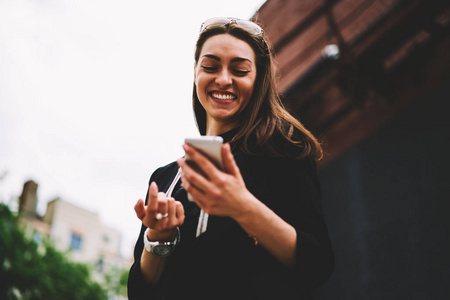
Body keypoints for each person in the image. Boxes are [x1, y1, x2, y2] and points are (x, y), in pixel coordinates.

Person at [128, 17, 334, 300]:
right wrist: (159, 238)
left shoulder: (283, 149)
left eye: (239, 70)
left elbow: (317, 264)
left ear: (258, 79)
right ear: (196, 73)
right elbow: (140, 293)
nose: (223, 79)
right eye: (210, 67)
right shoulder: (164, 178)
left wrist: (242, 206)